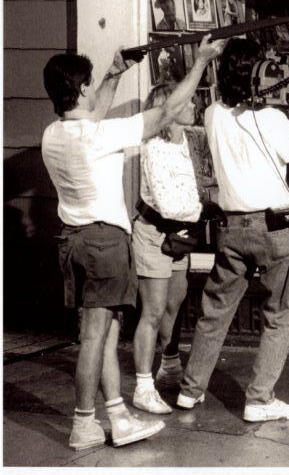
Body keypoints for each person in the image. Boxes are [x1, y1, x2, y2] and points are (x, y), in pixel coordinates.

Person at [41, 33, 227, 450]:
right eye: (92, 83)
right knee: (94, 337)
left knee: (104, 333)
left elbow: (91, 114)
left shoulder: (53, 135)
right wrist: (199, 62)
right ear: (82, 88)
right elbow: (167, 112)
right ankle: (84, 423)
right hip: (105, 243)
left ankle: (119, 416)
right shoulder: (99, 135)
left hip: (72, 241)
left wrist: (113, 73)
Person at [176, 38, 289, 423]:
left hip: (232, 226)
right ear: (259, 76)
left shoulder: (211, 114)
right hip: (274, 227)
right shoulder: (272, 120)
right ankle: (259, 398)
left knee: (216, 309)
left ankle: (191, 389)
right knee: (281, 312)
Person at [130, 82, 219, 414]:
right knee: (152, 312)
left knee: (174, 306)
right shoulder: (154, 148)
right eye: (186, 101)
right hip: (155, 233)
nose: (193, 104)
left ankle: (169, 363)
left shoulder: (192, 142)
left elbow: (203, 181)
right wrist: (209, 208)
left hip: (181, 236)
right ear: (167, 109)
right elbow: (168, 204)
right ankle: (142, 385)